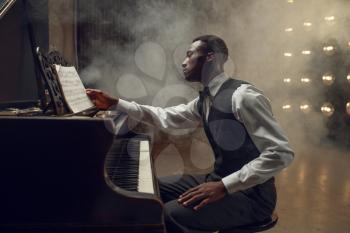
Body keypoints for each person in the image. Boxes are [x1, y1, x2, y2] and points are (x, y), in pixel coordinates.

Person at [87, 35, 294, 233]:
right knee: (151, 189)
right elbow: (168, 116)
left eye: (189, 54)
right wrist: (116, 103)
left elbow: (281, 153)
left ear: (211, 57)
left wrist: (223, 186)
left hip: (252, 195)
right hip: (219, 177)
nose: (184, 62)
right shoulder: (205, 99)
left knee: (172, 214)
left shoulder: (244, 97)